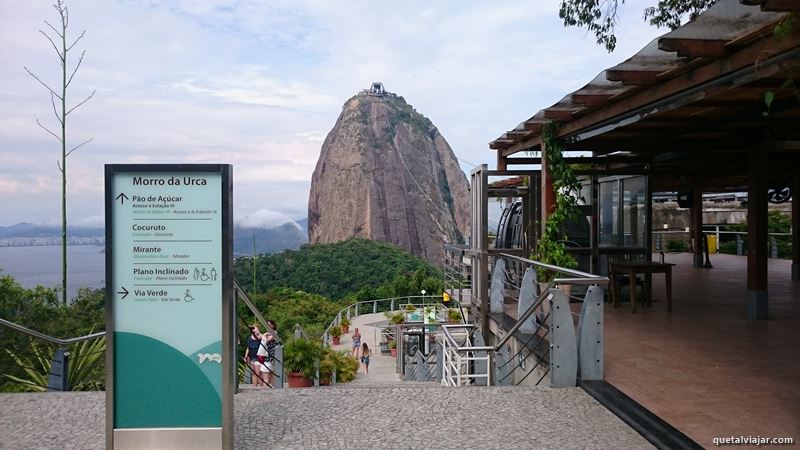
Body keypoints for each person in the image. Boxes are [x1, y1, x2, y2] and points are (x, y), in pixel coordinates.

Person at [263, 320, 279, 386]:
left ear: (273, 325)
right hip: (267, 354)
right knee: (271, 372)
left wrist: (263, 336)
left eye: (269, 324)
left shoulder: (274, 332)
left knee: (267, 372)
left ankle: (266, 387)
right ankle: (273, 386)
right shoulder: (268, 333)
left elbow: (267, 340)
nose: (268, 326)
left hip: (271, 355)